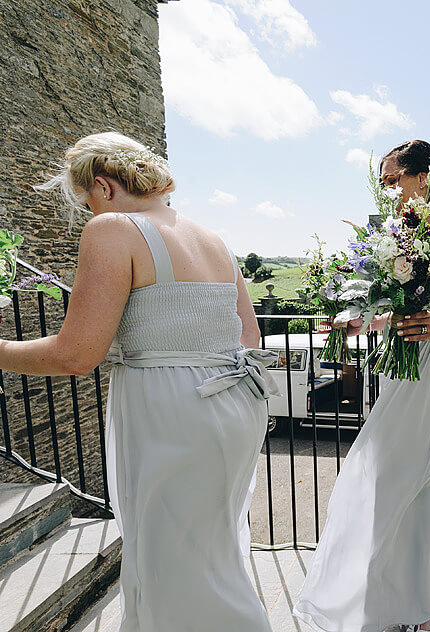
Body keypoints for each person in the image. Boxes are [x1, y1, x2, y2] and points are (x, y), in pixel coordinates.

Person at [1, 132, 275, 630]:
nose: (90, 214)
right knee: (210, 559)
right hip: (235, 404)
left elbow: (77, 354)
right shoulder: (213, 239)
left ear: (103, 187)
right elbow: (249, 335)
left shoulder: (112, 229)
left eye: (86, 203)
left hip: (171, 410)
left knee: (171, 567)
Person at [293, 140, 430, 632]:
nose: (387, 190)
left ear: (424, 176)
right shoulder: (391, 237)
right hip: (405, 378)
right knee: (391, 487)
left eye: (392, 180)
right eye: (383, 183)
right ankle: (410, 608)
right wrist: (361, 324)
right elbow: (399, 311)